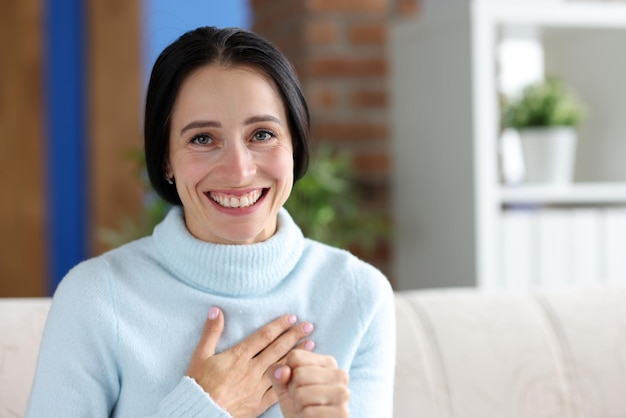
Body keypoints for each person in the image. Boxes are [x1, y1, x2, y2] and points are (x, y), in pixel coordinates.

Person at [26, 26, 395, 417]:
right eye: (203, 138)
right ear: (165, 158)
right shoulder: (96, 297)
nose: (238, 171)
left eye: (263, 134)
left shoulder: (358, 294)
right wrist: (203, 407)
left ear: (295, 146)